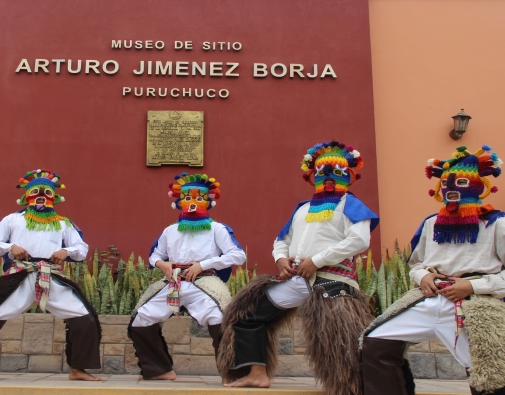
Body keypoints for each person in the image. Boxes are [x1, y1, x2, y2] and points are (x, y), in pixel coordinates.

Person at [218, 141, 378, 394]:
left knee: (339, 336)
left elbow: (359, 240)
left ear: (349, 175)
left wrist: (317, 260)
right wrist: (281, 259)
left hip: (333, 280)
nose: (328, 178)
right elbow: (282, 240)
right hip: (295, 279)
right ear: (313, 175)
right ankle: (257, 374)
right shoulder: (302, 209)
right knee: (246, 314)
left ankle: (349, 385)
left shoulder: (351, 206)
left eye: (336, 172)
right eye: (322, 172)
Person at [361, 145, 505, 395]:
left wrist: (471, 286)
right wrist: (424, 276)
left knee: (488, 366)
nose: (453, 189)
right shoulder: (431, 223)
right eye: (448, 182)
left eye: (460, 182)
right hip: (428, 299)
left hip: (475, 304)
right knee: (375, 343)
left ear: (477, 185)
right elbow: (415, 263)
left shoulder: (496, 223)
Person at [0, 169, 101, 381]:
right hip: (19, 275)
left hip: (51, 276)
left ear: (54, 197)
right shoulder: (12, 219)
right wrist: (11, 247)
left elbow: (81, 248)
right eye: (36, 191)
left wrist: (66, 251)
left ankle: (78, 369)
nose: (41, 195)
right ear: (26, 195)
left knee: (86, 319)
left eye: (47, 192)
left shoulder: (63, 223)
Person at [128, 172, 246, 380]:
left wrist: (203, 264)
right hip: (173, 281)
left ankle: (232, 374)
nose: (192, 202)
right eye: (187, 198)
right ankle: (159, 370)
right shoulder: (170, 230)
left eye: (199, 198)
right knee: (141, 318)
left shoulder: (217, 229)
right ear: (179, 201)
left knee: (220, 318)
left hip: (204, 281)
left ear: (208, 201)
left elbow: (238, 255)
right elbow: (155, 254)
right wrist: (162, 264)